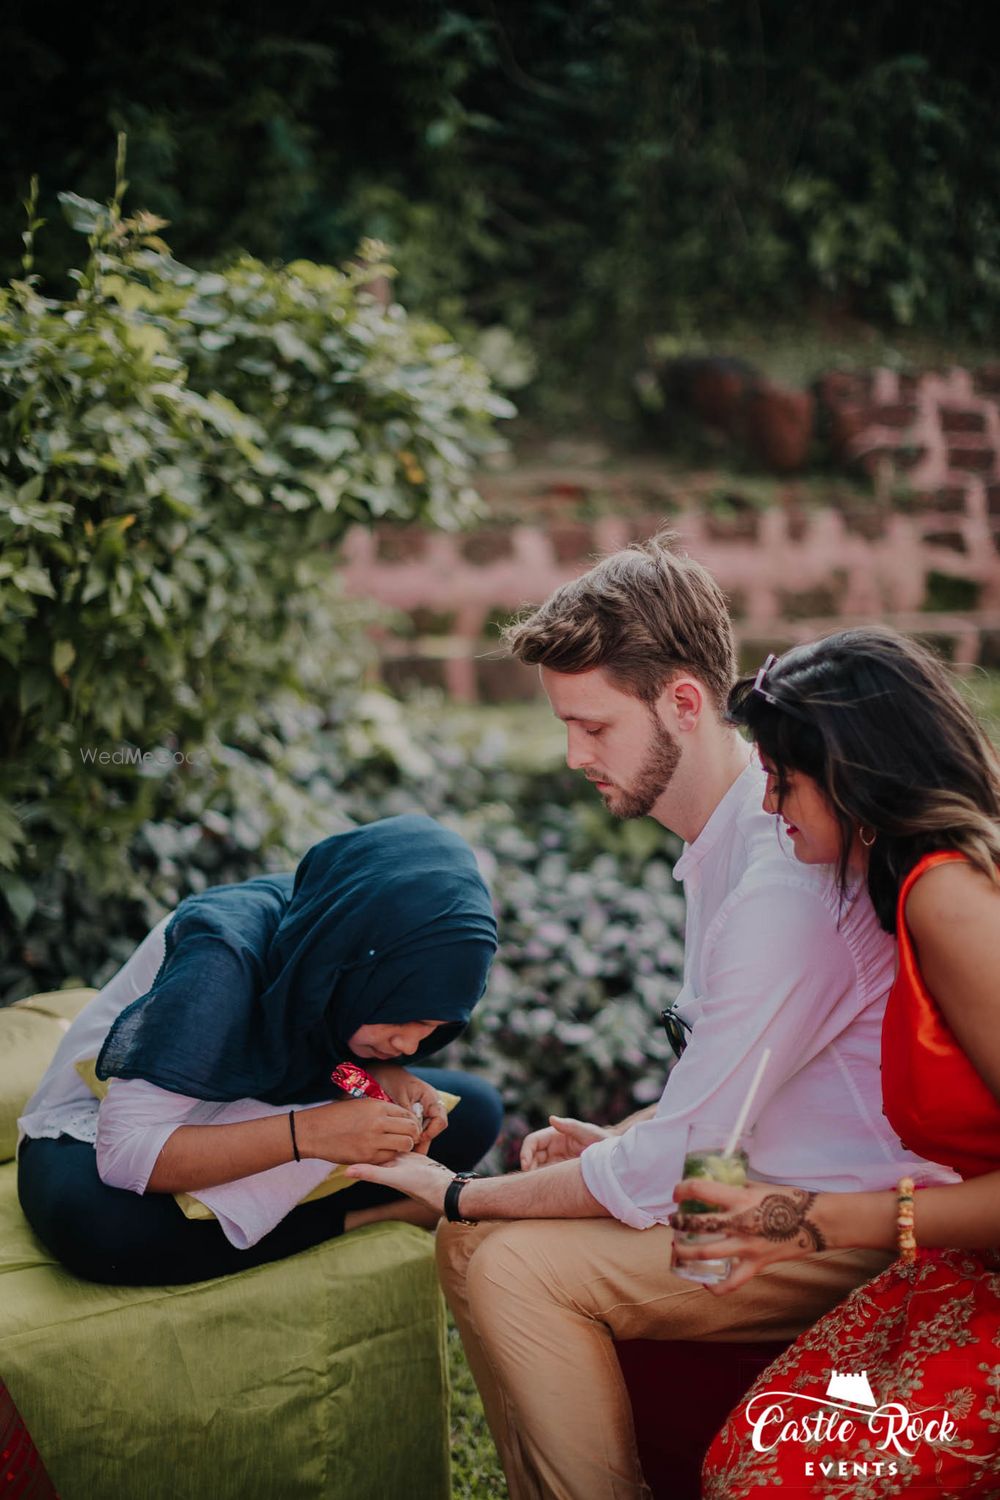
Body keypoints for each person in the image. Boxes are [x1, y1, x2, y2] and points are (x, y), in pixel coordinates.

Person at [346, 536, 952, 1500]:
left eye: (593, 726)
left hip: (844, 1228)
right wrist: (617, 1142)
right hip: (756, 1180)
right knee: (484, 1243)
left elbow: (684, 1156)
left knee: (507, 1262)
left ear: (681, 701)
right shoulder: (731, 846)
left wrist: (458, 1189)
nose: (574, 755)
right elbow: (726, 1101)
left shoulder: (779, 877)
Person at [663, 628, 1000, 1494]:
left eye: (784, 779)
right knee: (747, 1458)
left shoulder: (947, 897)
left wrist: (807, 1221)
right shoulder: (896, 886)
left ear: (855, 775)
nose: (770, 807)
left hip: (959, 1255)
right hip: (967, 1257)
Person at [17, 814, 502, 1286]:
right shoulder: (217, 965)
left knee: (473, 1111)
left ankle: (276, 1222)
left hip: (256, 1102)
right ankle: (363, 1220)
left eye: (432, 1027)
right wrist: (309, 1134)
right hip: (95, 1127)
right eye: (404, 1018)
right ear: (360, 965)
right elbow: (122, 1154)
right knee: (100, 1228)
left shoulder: (331, 939)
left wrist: (378, 1073)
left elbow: (312, 1047)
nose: (411, 1044)